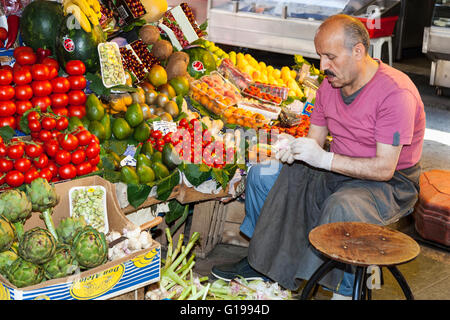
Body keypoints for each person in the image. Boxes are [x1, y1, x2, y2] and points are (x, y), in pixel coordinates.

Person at [211, 14, 426, 299]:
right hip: (338, 168)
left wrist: (323, 160)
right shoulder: (329, 85)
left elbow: (384, 168)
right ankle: (266, 264)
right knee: (263, 175)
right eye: (320, 57)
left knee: (343, 206)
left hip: (388, 184)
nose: (323, 66)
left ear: (358, 52)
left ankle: (345, 291)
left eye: (330, 57)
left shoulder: (395, 94)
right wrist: (293, 148)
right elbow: (314, 140)